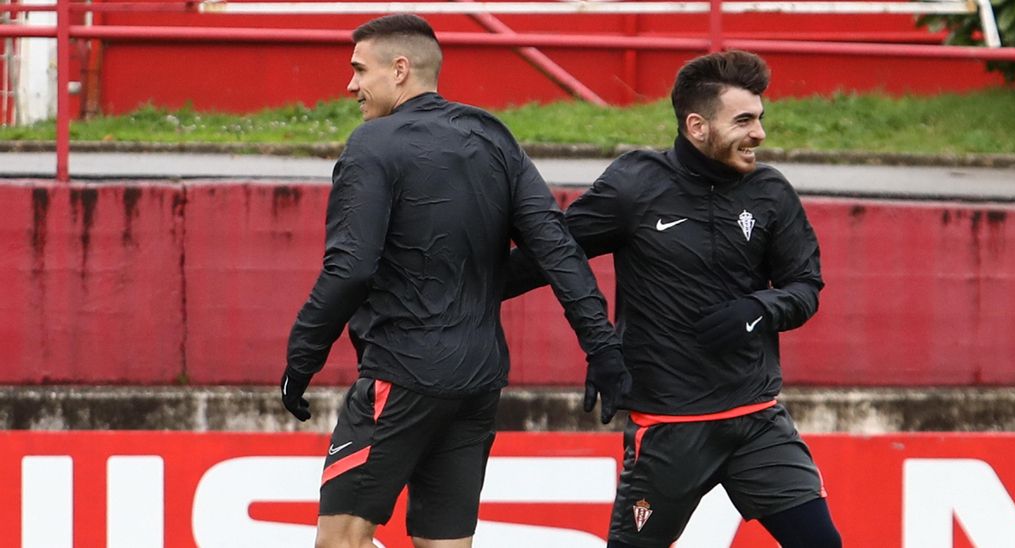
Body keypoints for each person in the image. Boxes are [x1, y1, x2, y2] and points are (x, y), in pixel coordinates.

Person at [280, 14, 631, 548]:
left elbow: (350, 269)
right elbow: (555, 248)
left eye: (359, 70)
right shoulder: (492, 136)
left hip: (401, 375)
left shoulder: (371, 144)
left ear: (400, 70)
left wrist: (300, 358)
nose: (350, 85)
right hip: (478, 384)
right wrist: (601, 347)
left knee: (340, 541)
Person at [503, 50, 841, 548]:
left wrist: (757, 310)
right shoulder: (636, 185)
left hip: (757, 421)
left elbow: (805, 288)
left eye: (760, 119)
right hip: (670, 430)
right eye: (744, 121)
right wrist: (455, 290)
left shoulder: (770, 192)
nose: (760, 135)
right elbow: (550, 254)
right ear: (697, 125)